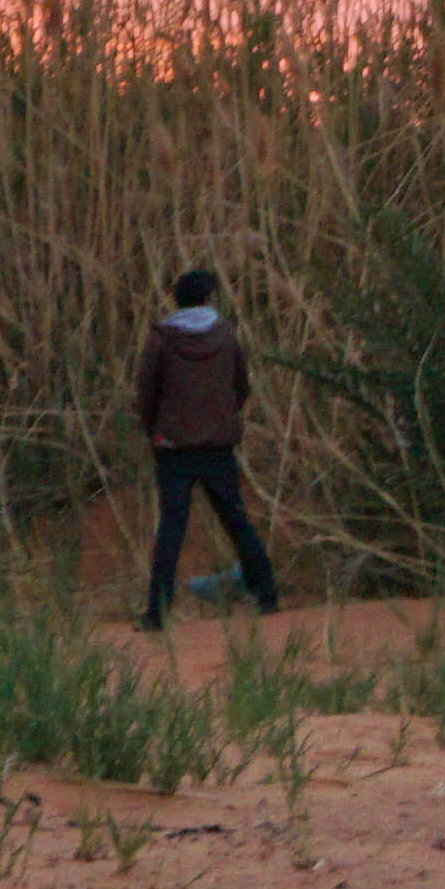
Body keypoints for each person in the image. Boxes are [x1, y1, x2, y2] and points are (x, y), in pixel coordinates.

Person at [131, 264, 282, 631]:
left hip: (174, 447)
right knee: (235, 519)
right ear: (208, 298)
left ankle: (158, 612)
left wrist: (157, 431)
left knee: (171, 528)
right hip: (217, 445)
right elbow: (241, 386)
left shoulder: (161, 339)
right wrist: (223, 420)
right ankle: (266, 595)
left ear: (176, 299)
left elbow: (145, 393)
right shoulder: (226, 335)